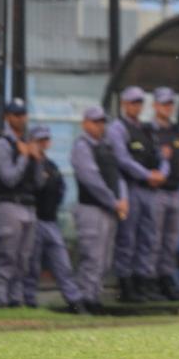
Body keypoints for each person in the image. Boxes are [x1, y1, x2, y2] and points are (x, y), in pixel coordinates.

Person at [107, 86, 167, 303]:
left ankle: (144, 282)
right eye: (132, 102)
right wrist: (146, 174)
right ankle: (126, 285)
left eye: (140, 102)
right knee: (128, 238)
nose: (136, 106)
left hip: (151, 189)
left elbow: (162, 155)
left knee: (149, 238)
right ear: (124, 104)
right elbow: (121, 158)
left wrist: (161, 174)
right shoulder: (117, 127)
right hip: (131, 188)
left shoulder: (148, 128)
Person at [0, 99, 46, 308]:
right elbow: (9, 178)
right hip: (9, 204)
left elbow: (39, 183)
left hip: (29, 206)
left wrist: (37, 160)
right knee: (7, 257)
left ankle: (16, 300)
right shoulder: (0, 144)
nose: (21, 119)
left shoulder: (28, 143)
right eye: (16, 115)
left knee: (24, 260)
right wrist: (24, 158)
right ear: (8, 117)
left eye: (23, 115)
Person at [21, 125, 84, 312]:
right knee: (32, 265)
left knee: (62, 263)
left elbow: (61, 189)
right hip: (34, 219)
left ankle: (74, 301)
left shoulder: (52, 165)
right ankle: (29, 301)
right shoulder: (28, 165)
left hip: (50, 220)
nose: (43, 144)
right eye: (39, 141)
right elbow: (35, 187)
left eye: (45, 140)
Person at [71, 106, 127, 314]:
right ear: (84, 123)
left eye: (102, 122)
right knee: (92, 257)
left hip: (109, 209)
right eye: (95, 122)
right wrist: (114, 201)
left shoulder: (106, 146)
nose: (99, 126)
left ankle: (94, 298)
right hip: (91, 209)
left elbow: (117, 175)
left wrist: (123, 199)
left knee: (104, 259)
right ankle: (84, 299)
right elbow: (91, 179)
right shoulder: (82, 146)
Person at [146, 87, 179, 301]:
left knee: (171, 241)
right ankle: (150, 281)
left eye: (170, 104)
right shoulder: (149, 130)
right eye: (164, 103)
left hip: (176, 191)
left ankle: (166, 278)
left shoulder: (177, 131)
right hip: (156, 192)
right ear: (155, 105)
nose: (168, 107)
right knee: (153, 239)